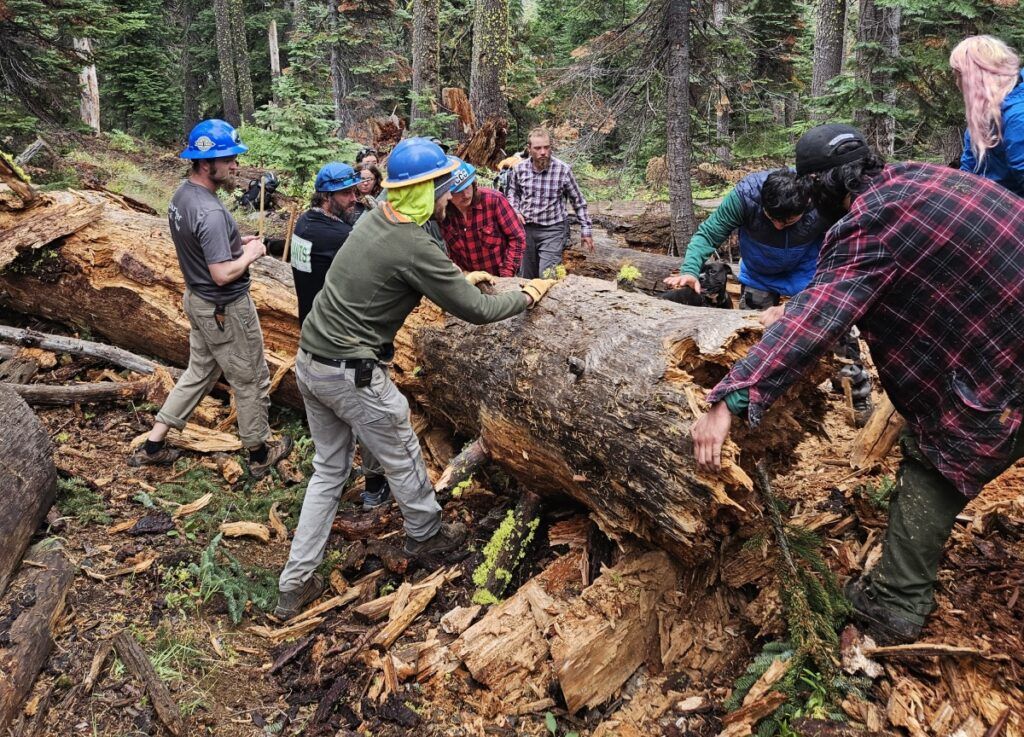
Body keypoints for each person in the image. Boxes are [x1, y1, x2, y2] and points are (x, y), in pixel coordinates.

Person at [691, 123, 1024, 645]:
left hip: (1004, 367)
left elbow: (823, 318)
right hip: (1003, 334)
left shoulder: (870, 222)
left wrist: (732, 396)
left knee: (934, 461)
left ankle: (892, 606)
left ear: (822, 187)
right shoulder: (926, 178)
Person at [274, 137, 558, 618]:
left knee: (328, 470)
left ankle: (293, 584)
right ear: (425, 190)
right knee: (402, 449)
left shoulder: (375, 220)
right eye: (441, 186)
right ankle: (427, 535)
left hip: (312, 363)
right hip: (352, 372)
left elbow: (397, 278)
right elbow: (478, 311)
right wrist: (529, 294)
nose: (449, 194)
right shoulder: (411, 241)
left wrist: (453, 278)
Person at [128, 119, 292, 478]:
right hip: (224, 308)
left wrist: (237, 243)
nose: (235, 165)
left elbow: (204, 245)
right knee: (250, 378)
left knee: (199, 371)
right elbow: (221, 273)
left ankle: (154, 444)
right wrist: (251, 255)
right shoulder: (211, 211)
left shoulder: (183, 196)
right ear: (205, 163)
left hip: (197, 300)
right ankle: (259, 451)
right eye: (228, 158)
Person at [663, 168, 872, 421]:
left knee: (836, 328)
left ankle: (856, 395)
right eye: (771, 218)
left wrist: (828, 282)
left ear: (806, 205)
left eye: (786, 221)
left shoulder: (820, 198)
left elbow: (847, 241)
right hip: (760, 273)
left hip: (807, 272)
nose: (777, 226)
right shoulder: (745, 197)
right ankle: (750, 401)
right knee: (751, 338)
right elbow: (708, 234)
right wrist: (690, 271)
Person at [291, 161, 390, 509]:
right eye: (346, 193)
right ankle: (376, 484)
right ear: (326, 196)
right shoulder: (336, 236)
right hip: (341, 338)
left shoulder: (305, 222)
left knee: (332, 419)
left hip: (312, 331)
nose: (355, 197)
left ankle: (337, 472)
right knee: (368, 412)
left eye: (355, 189)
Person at [507, 128, 594, 278]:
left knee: (547, 276)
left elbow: (578, 201)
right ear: (529, 149)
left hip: (553, 230)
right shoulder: (519, 169)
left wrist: (586, 230)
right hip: (526, 229)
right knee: (526, 277)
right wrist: (515, 211)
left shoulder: (563, 170)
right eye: (538, 148)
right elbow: (512, 193)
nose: (543, 152)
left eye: (546, 147)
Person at [950, 35, 1024, 196]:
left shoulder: (1018, 117)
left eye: (959, 75)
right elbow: (968, 170)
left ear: (977, 77)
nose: (957, 83)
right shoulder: (983, 114)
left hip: (1011, 210)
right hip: (989, 201)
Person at [440, 160, 526, 277]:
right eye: (458, 191)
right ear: (446, 193)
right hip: (467, 279)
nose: (465, 195)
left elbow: (517, 237)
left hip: (500, 275)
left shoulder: (494, 200)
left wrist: (506, 274)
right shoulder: (443, 213)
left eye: (467, 187)